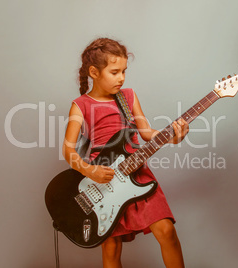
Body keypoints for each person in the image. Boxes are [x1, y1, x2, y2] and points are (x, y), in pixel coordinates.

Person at [63, 37, 189, 268]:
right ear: (94, 72)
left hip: (137, 173)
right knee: (111, 247)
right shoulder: (81, 105)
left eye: (124, 71)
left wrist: (173, 135)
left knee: (166, 231)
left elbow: (147, 132)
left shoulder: (128, 97)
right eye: (114, 72)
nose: (121, 78)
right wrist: (89, 171)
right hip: (104, 181)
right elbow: (68, 150)